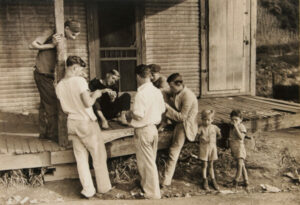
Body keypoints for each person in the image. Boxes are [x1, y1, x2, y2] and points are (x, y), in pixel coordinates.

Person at [55, 56, 112, 198]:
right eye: (80, 69)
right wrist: (97, 94)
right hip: (86, 123)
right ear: (74, 68)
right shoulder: (79, 81)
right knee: (98, 155)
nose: (81, 73)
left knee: (81, 159)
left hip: (72, 123)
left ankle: (88, 190)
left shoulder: (59, 85)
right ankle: (103, 188)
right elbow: (87, 103)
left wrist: (99, 92)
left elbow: (75, 100)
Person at [29, 20, 81, 142]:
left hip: (48, 75)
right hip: (42, 74)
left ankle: (44, 134)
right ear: (66, 28)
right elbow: (32, 45)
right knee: (52, 103)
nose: (75, 36)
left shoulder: (62, 37)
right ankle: (52, 135)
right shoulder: (51, 32)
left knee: (45, 105)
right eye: (74, 33)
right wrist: (51, 45)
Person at [125, 64, 165, 199]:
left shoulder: (141, 94)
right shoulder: (157, 91)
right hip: (153, 129)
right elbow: (162, 110)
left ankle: (152, 193)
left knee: (148, 163)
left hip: (143, 130)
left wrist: (129, 114)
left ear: (138, 76)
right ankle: (145, 185)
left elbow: (138, 115)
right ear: (149, 76)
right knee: (148, 161)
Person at [162, 73, 198, 187]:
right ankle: (162, 123)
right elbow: (164, 90)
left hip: (185, 124)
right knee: (161, 94)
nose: (171, 89)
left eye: (172, 87)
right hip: (177, 119)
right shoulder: (177, 90)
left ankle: (166, 180)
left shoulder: (188, 96)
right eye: (170, 87)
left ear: (180, 84)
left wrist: (166, 107)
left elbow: (182, 117)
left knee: (174, 150)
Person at [198, 110, 222, 191]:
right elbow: (195, 137)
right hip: (204, 149)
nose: (206, 122)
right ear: (202, 119)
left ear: (212, 120)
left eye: (208, 120)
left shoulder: (214, 128)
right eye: (204, 120)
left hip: (212, 148)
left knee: (211, 165)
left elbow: (219, 136)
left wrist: (214, 140)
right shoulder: (201, 128)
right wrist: (201, 138)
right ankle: (204, 180)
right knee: (204, 165)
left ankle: (213, 180)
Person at [229, 109, 249, 189]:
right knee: (242, 165)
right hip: (234, 148)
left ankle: (236, 181)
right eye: (232, 119)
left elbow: (241, 137)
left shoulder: (241, 127)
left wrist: (236, 127)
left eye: (236, 120)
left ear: (241, 120)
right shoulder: (232, 127)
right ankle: (246, 181)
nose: (234, 121)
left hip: (240, 148)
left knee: (240, 165)